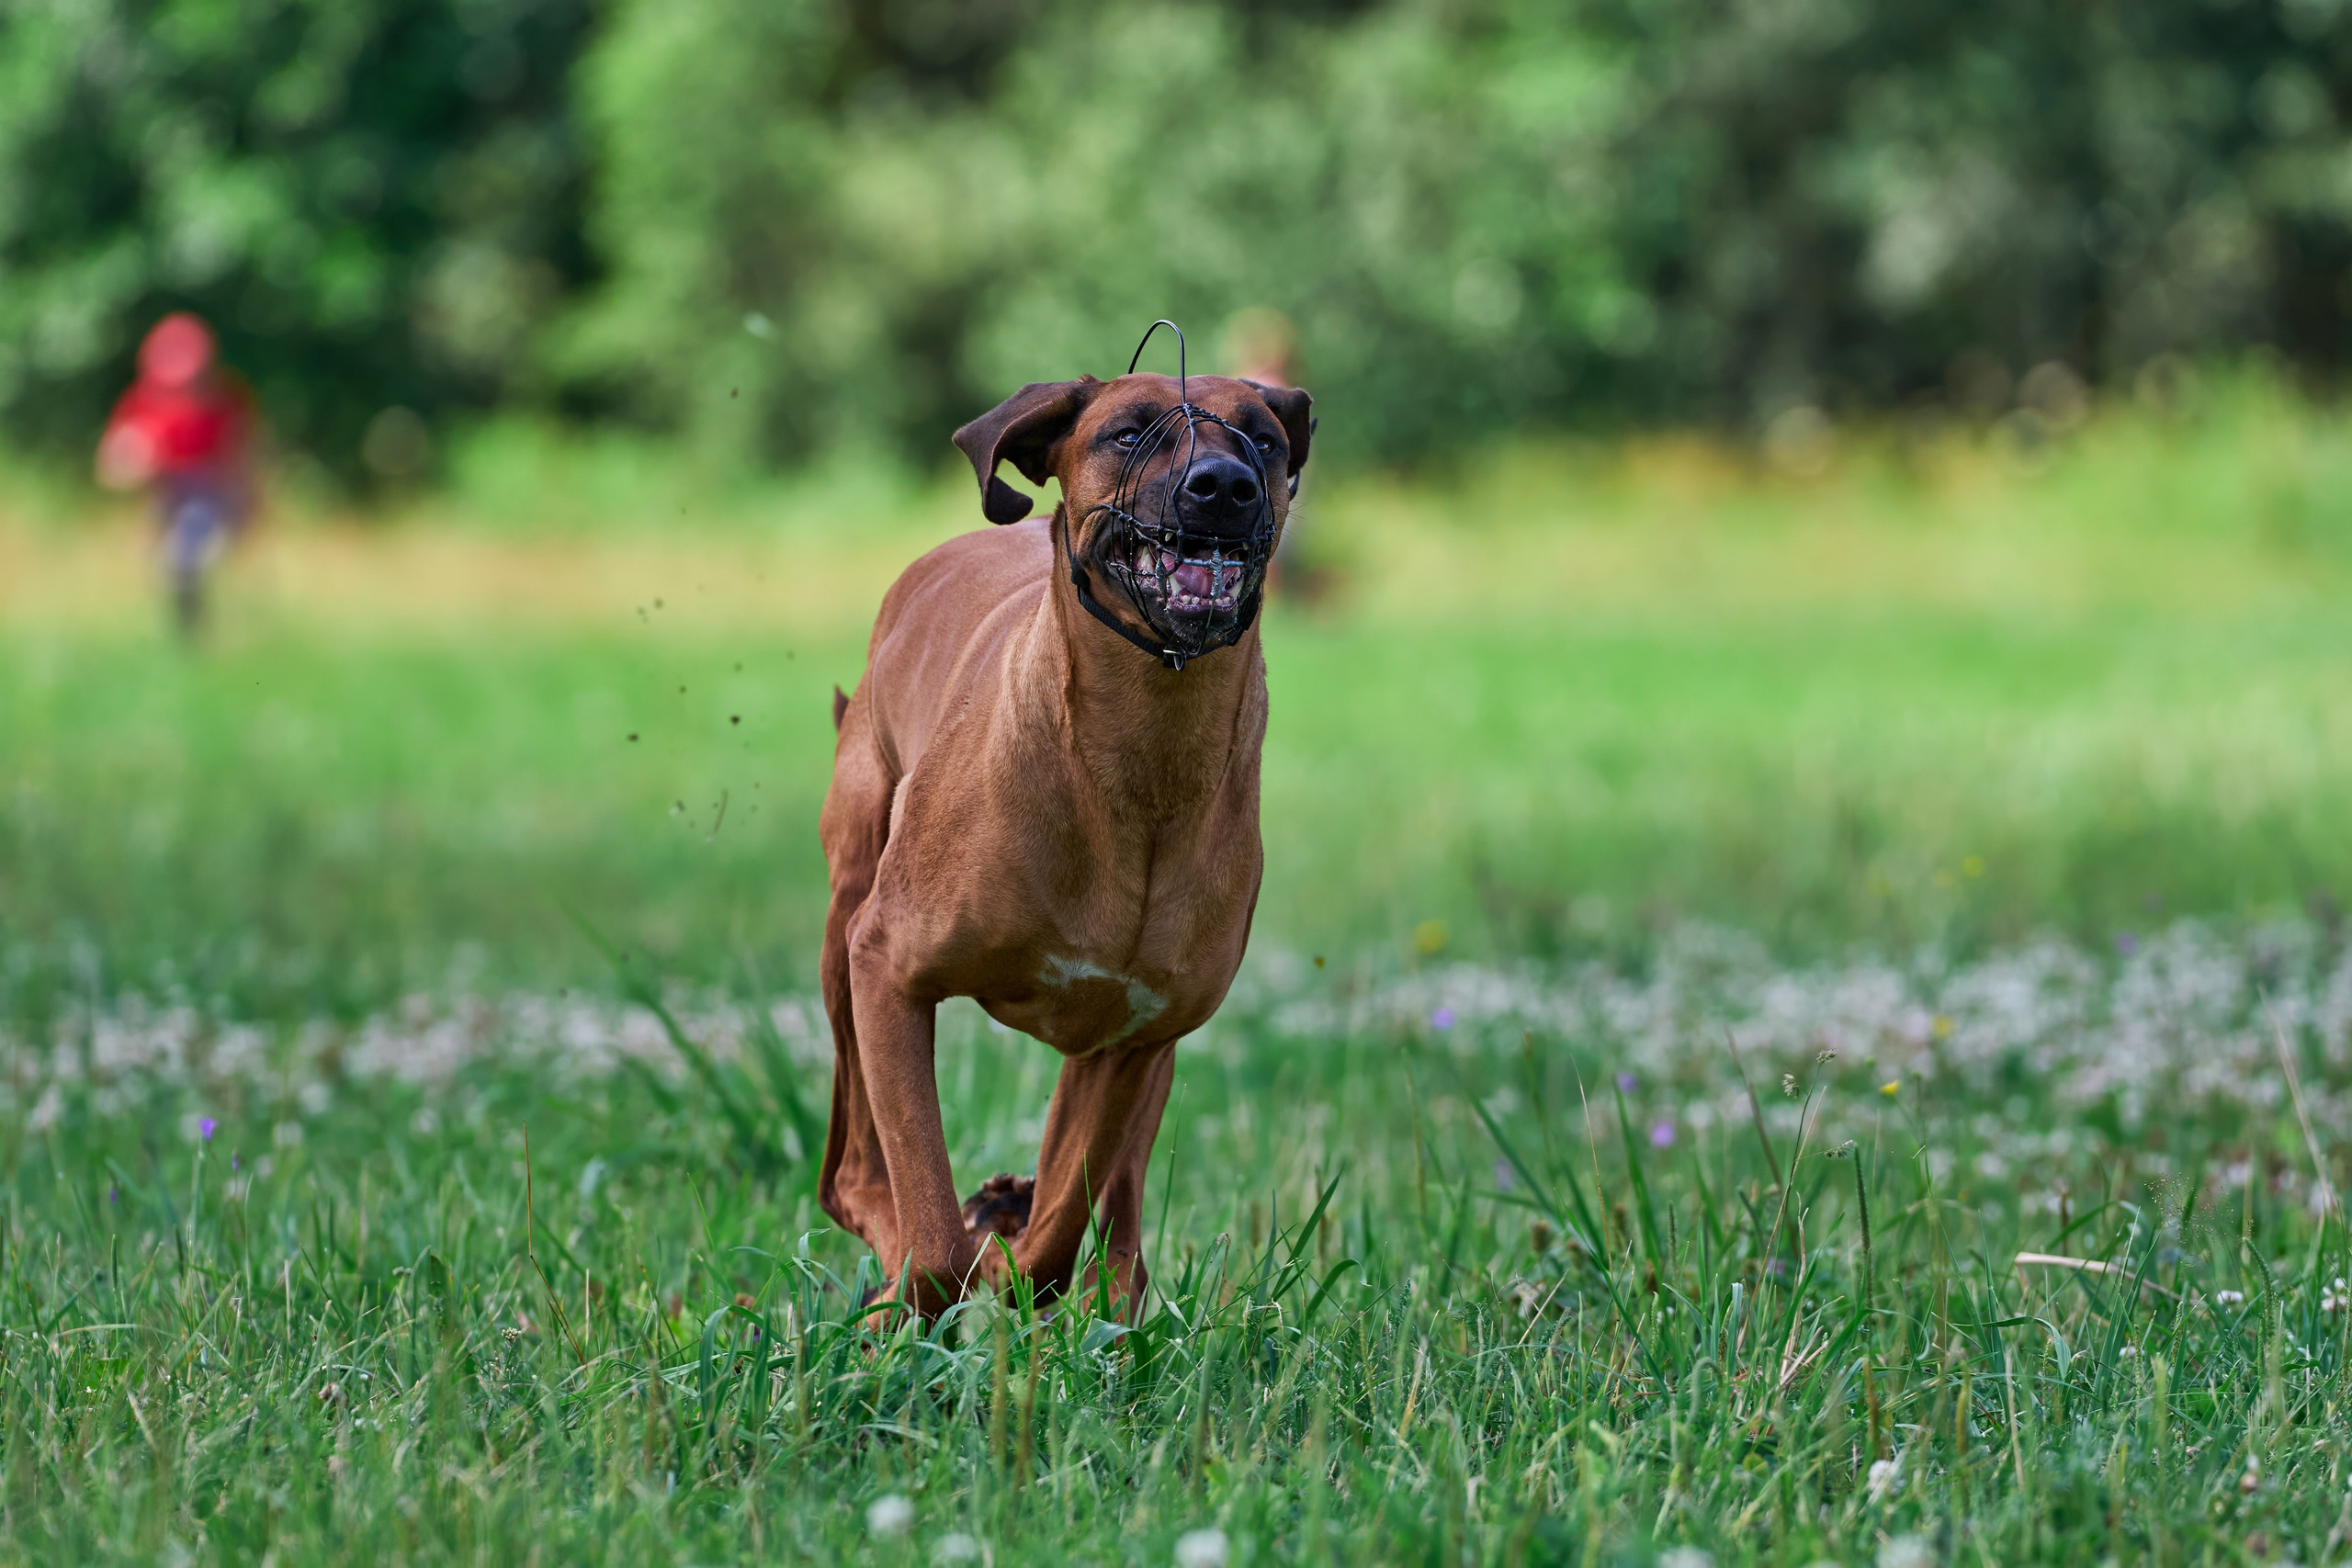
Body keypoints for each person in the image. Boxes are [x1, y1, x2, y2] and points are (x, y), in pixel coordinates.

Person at [96, 313, 257, 637]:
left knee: (188, 565)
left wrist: (245, 506)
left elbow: (243, 460)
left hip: (209, 499)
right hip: (165, 499)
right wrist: (137, 460)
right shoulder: (142, 405)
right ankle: (192, 639)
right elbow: (112, 468)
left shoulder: (223, 403)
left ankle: (207, 636)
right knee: (173, 573)